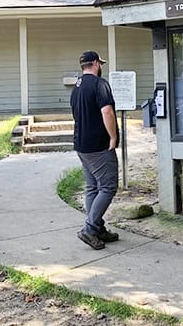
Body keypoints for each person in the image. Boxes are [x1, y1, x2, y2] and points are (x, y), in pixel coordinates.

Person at [70, 50, 120, 250]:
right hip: (99, 145)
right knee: (108, 187)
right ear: (96, 64)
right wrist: (113, 137)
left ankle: (98, 228)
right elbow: (106, 111)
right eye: (101, 63)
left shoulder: (77, 86)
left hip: (81, 144)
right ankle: (89, 229)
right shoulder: (100, 85)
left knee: (92, 187)